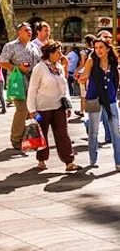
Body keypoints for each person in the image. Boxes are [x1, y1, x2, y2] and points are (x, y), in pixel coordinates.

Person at [27, 40, 81, 171]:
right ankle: (41, 160)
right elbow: (32, 89)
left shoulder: (59, 67)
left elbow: (65, 87)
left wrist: (67, 105)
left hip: (59, 107)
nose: (61, 54)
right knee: (42, 134)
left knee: (63, 134)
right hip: (42, 109)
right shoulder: (39, 68)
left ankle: (69, 161)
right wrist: (32, 109)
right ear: (50, 54)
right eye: (58, 51)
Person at [79, 38, 120, 170]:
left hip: (110, 100)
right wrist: (83, 78)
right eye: (96, 48)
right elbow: (83, 77)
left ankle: (118, 161)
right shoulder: (91, 61)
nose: (98, 50)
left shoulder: (113, 63)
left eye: (101, 47)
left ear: (107, 49)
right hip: (93, 99)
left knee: (116, 131)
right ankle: (93, 160)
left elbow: (117, 81)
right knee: (93, 131)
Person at [0, 22, 41, 149]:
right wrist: (18, 68)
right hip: (18, 83)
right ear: (19, 32)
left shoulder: (34, 47)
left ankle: (29, 138)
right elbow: (2, 62)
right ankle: (16, 139)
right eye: (26, 30)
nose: (29, 32)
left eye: (30, 30)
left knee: (31, 111)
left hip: (33, 83)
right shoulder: (10, 46)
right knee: (22, 110)